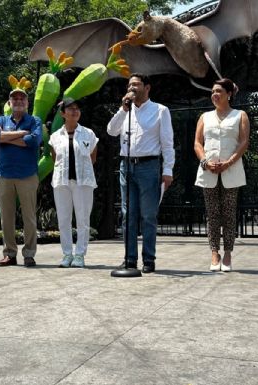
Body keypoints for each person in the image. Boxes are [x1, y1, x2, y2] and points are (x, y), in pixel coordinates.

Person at [107, 73, 175, 273]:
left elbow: (168, 144)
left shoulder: (160, 111)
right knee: (128, 214)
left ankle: (148, 259)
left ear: (147, 87)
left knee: (148, 215)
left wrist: (168, 170)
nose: (132, 88)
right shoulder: (125, 111)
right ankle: (129, 259)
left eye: (136, 84)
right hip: (126, 166)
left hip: (149, 166)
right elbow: (111, 131)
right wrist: (122, 109)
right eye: (129, 85)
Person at [194, 78, 249, 272]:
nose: (214, 95)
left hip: (231, 170)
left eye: (219, 91)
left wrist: (228, 163)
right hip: (208, 170)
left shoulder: (239, 115)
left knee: (228, 213)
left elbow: (243, 142)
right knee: (212, 213)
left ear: (229, 94)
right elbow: (198, 143)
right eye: (212, 91)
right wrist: (205, 162)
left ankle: (228, 253)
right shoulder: (205, 117)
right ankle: (214, 252)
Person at [0, 85, 42, 267]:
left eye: (22, 99)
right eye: (15, 99)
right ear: (9, 102)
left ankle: (29, 254)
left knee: (29, 217)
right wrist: (20, 135)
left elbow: (34, 140)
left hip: (27, 175)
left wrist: (6, 137)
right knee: (7, 217)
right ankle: (10, 253)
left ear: (27, 103)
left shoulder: (34, 120)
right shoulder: (1, 119)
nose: (18, 101)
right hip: (4, 175)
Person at [49, 98, 99, 268]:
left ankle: (80, 255)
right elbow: (54, 158)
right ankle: (67, 254)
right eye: (70, 109)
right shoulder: (55, 136)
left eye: (77, 109)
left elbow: (92, 158)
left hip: (83, 182)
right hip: (61, 182)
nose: (74, 111)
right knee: (63, 220)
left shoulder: (89, 134)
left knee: (83, 219)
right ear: (63, 113)